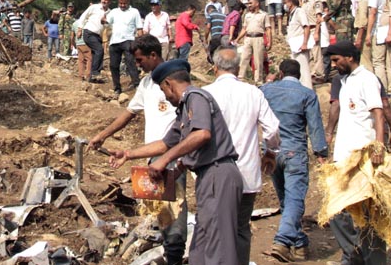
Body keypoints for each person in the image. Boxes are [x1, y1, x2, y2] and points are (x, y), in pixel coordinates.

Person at [109, 59, 243, 265]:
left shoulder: (195, 97)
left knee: (219, 246)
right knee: (201, 245)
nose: (166, 97)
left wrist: (164, 161)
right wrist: (128, 154)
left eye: (164, 91)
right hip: (207, 177)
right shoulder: (183, 111)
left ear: (169, 84)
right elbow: (165, 144)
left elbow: (202, 135)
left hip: (218, 173)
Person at [87, 35, 187, 264]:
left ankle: (174, 257)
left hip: (170, 157)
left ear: (154, 55)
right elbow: (129, 113)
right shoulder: (146, 83)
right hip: (151, 158)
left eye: (140, 59)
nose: (137, 64)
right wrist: (103, 135)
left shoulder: (176, 80)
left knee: (173, 215)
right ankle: (168, 251)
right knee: (159, 213)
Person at [204, 47, 280, 265]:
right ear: (238, 68)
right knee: (240, 229)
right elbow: (272, 129)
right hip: (246, 172)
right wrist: (270, 153)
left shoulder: (206, 93)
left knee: (216, 229)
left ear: (215, 67)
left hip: (215, 172)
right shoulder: (253, 92)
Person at [325, 40, 390, 264]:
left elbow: (378, 113)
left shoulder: (367, 79)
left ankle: (368, 258)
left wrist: (379, 146)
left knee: (369, 214)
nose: (333, 65)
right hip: (344, 157)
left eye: (336, 60)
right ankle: (354, 254)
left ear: (350, 57)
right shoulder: (344, 82)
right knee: (337, 210)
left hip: (363, 157)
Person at [261, 59, 328, 262]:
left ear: (281, 73)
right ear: (299, 75)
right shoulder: (307, 94)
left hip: (271, 152)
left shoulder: (266, 90)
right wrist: (321, 153)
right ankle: (283, 241)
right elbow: (315, 126)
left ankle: (300, 244)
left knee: (285, 199)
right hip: (294, 151)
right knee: (294, 199)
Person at [107, 0, 142, 95]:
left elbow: (139, 28)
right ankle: (117, 87)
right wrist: (103, 20)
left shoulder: (134, 12)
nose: (122, 5)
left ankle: (136, 83)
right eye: (120, 3)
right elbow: (107, 22)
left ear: (128, 2)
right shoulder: (114, 11)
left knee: (130, 61)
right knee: (113, 65)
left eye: (124, 3)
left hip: (128, 40)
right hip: (114, 41)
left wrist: (140, 41)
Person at [235, 0, 271, 84]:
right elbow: (244, 29)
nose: (249, 5)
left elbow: (268, 29)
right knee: (244, 58)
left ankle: (258, 81)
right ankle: (240, 78)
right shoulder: (247, 15)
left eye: (251, 3)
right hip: (248, 38)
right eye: (248, 3)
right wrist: (238, 38)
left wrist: (270, 41)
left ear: (257, 3)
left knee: (258, 60)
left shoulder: (264, 15)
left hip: (258, 38)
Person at [77, 0, 111, 83]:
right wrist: (80, 29)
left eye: (106, 0)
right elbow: (83, 16)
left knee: (95, 54)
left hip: (97, 36)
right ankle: (95, 72)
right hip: (88, 32)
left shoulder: (109, 12)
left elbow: (108, 25)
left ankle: (90, 76)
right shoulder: (94, 7)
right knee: (99, 50)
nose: (104, 1)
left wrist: (105, 22)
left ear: (109, 2)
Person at [283, 0, 314, 89]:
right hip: (294, 45)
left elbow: (306, 26)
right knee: (297, 68)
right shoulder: (292, 14)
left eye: (286, 3)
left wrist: (304, 43)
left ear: (290, 3)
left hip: (300, 45)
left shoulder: (299, 11)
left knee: (303, 68)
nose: (285, 5)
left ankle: (308, 89)